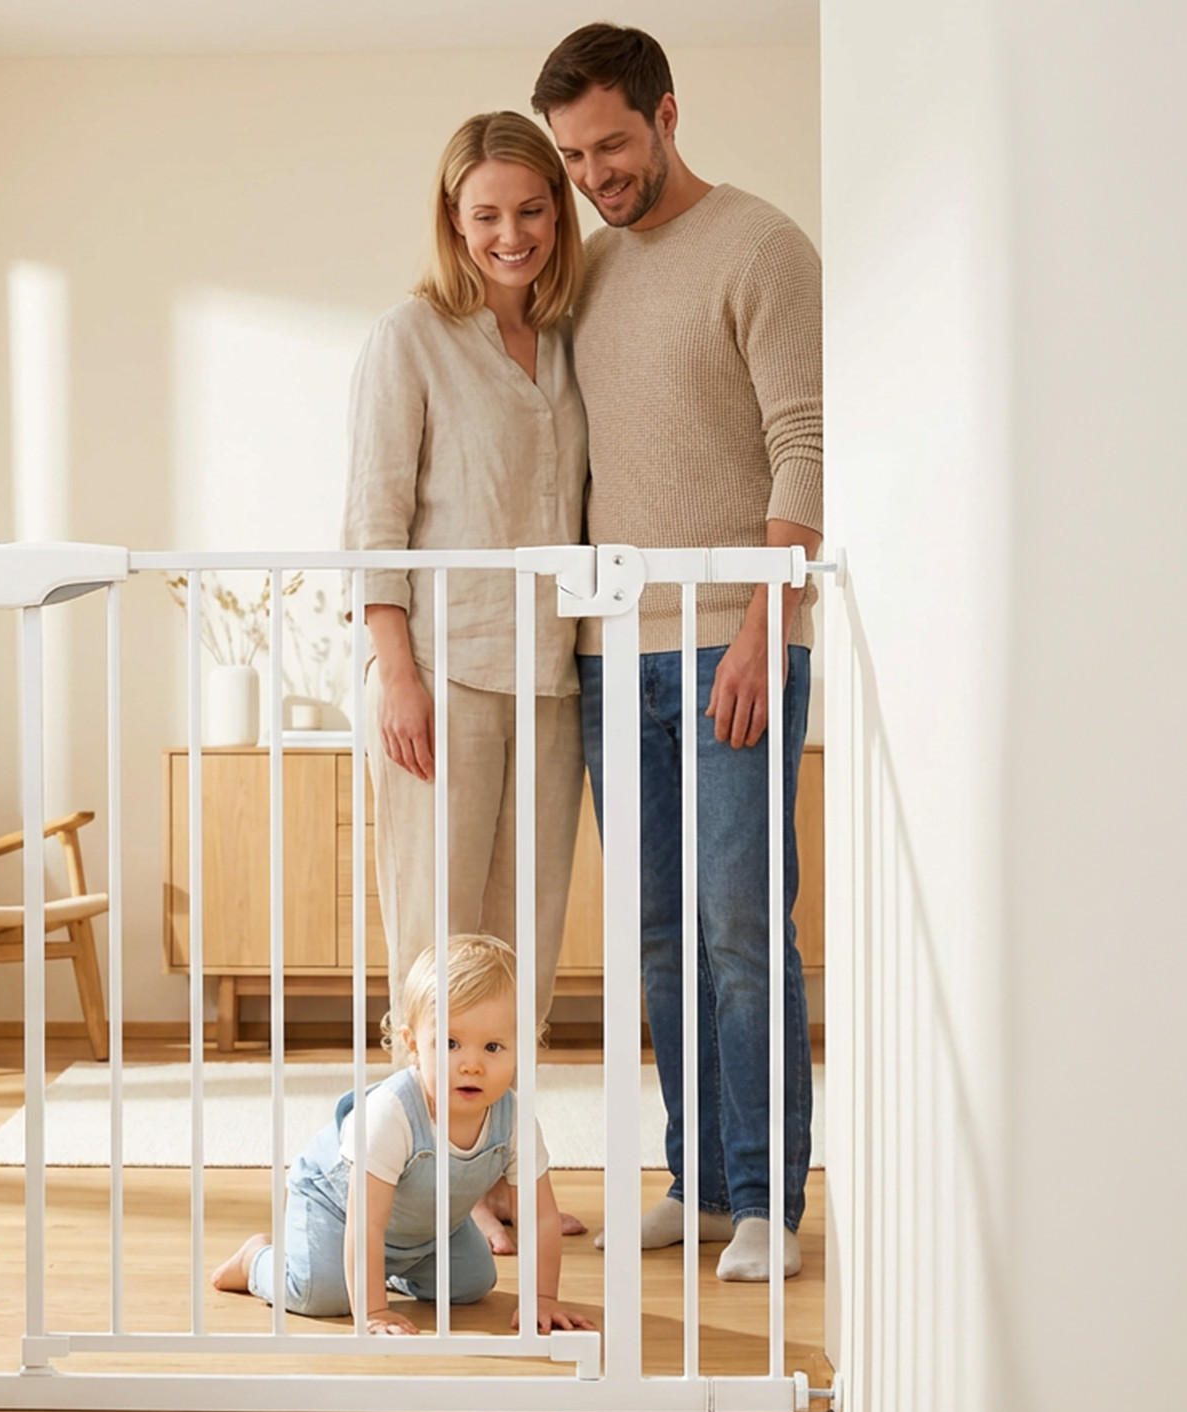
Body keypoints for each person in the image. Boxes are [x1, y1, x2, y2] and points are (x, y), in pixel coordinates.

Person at [534, 24, 823, 1281]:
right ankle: (698, 1181)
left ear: (662, 114)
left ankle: (768, 1198)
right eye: (572, 154)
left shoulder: (761, 246)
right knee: (655, 933)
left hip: (731, 643)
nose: (593, 173)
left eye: (608, 143)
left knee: (741, 924)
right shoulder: (587, 273)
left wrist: (766, 625)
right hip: (614, 650)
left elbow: (805, 439)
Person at [342, 110, 591, 1253]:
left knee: (522, 948)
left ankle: (496, 1178)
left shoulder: (573, 334)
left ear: (559, 212)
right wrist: (394, 671)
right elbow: (373, 522)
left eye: (531, 210)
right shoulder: (410, 336)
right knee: (438, 948)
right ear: (452, 216)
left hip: (550, 679)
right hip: (441, 673)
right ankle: (407, 1184)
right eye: (486, 212)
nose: (511, 233)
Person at [211, 937, 591, 1337]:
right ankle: (257, 1258)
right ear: (412, 1045)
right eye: (449, 1044)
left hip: (425, 1227)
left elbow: (540, 1218)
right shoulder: (392, 1114)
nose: (472, 1065)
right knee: (319, 1296)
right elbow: (366, 1225)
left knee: (472, 1283)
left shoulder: (513, 1120)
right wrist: (374, 1310)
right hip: (339, 1212)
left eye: (493, 1047)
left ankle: (385, 1270)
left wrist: (542, 1298)